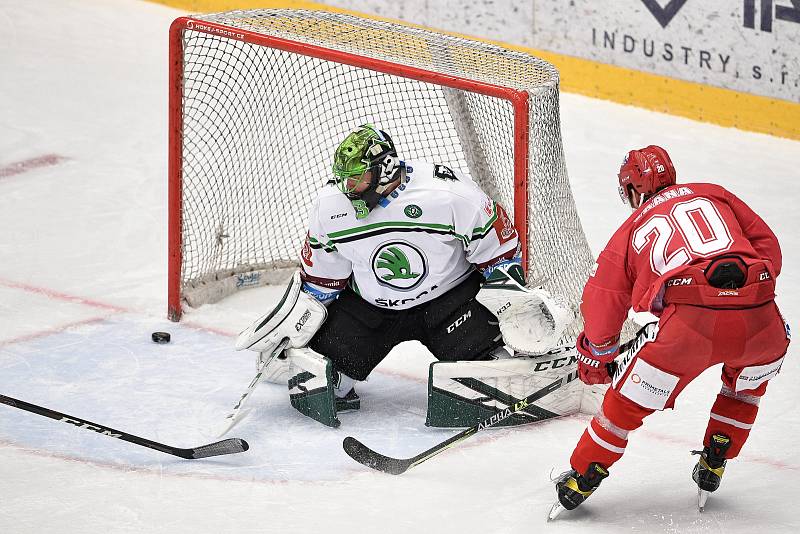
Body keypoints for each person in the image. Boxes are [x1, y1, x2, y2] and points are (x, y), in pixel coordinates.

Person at [235, 124, 573, 427]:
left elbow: (499, 253)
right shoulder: (331, 208)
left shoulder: (449, 195)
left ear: (384, 172)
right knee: (324, 376)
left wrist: (510, 302)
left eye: (356, 179)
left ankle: (504, 362)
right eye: (344, 179)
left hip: (449, 305)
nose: (347, 188)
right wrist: (297, 330)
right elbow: (322, 282)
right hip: (372, 310)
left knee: (490, 372)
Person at [552, 145, 790, 516]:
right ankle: (717, 457)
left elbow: (603, 300)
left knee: (623, 406)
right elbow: (768, 247)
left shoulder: (629, 229)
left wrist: (596, 356)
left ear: (632, 190)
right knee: (745, 388)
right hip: (761, 318)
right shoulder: (715, 192)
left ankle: (582, 476)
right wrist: (740, 295)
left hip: (690, 328)